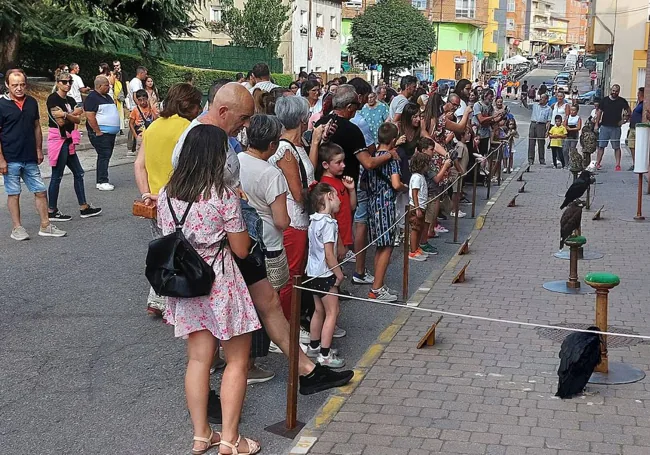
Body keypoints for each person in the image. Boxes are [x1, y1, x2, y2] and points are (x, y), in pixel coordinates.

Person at [172, 83, 354, 393]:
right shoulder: (199, 138)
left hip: (235, 238)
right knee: (218, 333)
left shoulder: (222, 138)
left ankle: (307, 371)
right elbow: (190, 192)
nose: (245, 126)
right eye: (242, 118)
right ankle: (214, 399)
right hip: (221, 245)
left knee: (267, 302)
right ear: (223, 111)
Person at [157, 124, 262, 455]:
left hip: (188, 284)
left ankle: (201, 435)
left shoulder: (167, 194)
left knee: (198, 360)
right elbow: (241, 247)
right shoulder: (223, 194)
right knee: (236, 361)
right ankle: (230, 439)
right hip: (221, 282)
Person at [134, 82, 203, 317]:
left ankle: (157, 298)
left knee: (162, 248)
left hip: (153, 199)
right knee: (184, 252)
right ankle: (172, 302)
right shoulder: (190, 128)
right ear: (190, 105)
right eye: (197, 104)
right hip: (180, 200)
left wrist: (146, 194)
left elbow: (139, 165)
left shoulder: (152, 127)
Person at [0, 68, 66, 240]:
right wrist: (1, 160)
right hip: (10, 157)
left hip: (30, 156)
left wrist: (38, 149)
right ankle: (17, 228)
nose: (19, 88)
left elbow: (36, 126)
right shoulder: (1, 105)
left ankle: (46, 225)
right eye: (15, 85)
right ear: (7, 85)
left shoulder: (31, 102)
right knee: (14, 193)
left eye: (22, 84)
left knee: (40, 191)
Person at [271, 96, 315, 321]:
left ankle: (293, 321)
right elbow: (298, 193)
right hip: (293, 220)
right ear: (301, 118)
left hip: (298, 219)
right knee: (291, 275)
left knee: (297, 273)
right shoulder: (286, 150)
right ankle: (287, 326)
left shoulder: (296, 146)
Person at [46, 72, 102, 222]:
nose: (67, 84)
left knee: (79, 172)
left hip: (68, 139)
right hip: (59, 139)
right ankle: (51, 210)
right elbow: (61, 122)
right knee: (57, 175)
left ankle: (83, 207)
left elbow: (78, 118)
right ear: (58, 82)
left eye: (69, 81)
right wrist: (71, 114)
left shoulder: (70, 99)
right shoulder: (53, 99)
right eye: (64, 82)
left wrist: (65, 114)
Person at [304, 183, 346, 368]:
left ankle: (314, 345)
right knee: (332, 312)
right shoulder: (328, 224)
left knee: (318, 310)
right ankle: (325, 354)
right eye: (337, 196)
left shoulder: (314, 221)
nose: (339, 201)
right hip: (325, 273)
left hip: (313, 272)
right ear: (329, 197)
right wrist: (339, 274)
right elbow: (329, 255)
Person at [364, 122, 407, 301]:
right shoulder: (392, 158)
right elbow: (396, 184)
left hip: (373, 202)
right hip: (386, 204)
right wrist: (405, 187)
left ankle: (378, 282)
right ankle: (377, 288)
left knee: (380, 246)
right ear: (393, 140)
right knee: (387, 246)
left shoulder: (373, 156)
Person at [317, 142, 357, 258]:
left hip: (344, 234)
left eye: (343, 161)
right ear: (325, 165)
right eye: (338, 162)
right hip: (335, 237)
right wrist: (339, 243)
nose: (343, 165)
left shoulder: (339, 181)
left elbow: (351, 207)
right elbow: (330, 217)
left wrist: (351, 190)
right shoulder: (325, 186)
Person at [84, 76, 121, 190]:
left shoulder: (108, 97)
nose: (109, 87)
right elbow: (90, 116)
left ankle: (102, 179)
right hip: (101, 132)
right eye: (106, 85)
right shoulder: (92, 98)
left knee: (107, 155)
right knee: (104, 155)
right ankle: (102, 180)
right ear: (99, 86)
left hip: (110, 133)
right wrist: (97, 131)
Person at [595, 84, 630, 171]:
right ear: (611, 90)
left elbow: (629, 111)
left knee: (616, 147)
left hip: (616, 127)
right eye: (613, 90)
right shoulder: (605, 100)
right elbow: (599, 112)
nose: (614, 92)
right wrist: (596, 124)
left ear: (619, 91)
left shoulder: (622, 101)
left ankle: (618, 165)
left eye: (616, 91)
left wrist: (624, 121)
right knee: (601, 146)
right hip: (604, 126)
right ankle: (598, 163)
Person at [408, 152, 431, 262]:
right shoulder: (417, 177)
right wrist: (417, 208)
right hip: (417, 207)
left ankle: (416, 248)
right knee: (415, 229)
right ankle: (413, 251)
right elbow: (414, 193)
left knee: (419, 228)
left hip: (421, 206)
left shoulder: (420, 176)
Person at [472, 89, 502, 157]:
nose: (492, 98)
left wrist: (500, 117)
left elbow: (492, 121)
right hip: (477, 133)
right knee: (477, 154)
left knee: (484, 153)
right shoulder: (478, 105)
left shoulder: (490, 106)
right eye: (491, 96)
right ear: (485, 96)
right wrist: (492, 117)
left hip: (486, 134)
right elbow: (481, 119)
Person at [449, 127, 471, 218]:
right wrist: (460, 171)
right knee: (456, 191)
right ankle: (454, 210)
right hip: (457, 173)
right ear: (462, 136)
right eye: (467, 134)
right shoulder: (460, 146)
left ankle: (457, 209)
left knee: (458, 191)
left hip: (460, 172)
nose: (469, 135)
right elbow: (456, 160)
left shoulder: (464, 145)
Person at [129, 89, 158, 156]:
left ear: (147, 99)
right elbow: (131, 123)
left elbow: (156, 119)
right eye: (140, 100)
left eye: (144, 99)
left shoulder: (151, 108)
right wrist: (135, 136)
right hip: (140, 134)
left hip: (151, 134)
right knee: (140, 155)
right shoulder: (135, 110)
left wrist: (152, 107)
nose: (142, 102)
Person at [528, 93, 552, 165]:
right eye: (540, 97)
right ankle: (530, 159)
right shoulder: (535, 105)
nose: (541, 99)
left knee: (541, 143)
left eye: (543, 98)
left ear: (546, 100)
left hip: (542, 125)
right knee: (531, 142)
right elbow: (526, 105)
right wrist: (523, 99)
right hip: (533, 124)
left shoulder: (549, 109)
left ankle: (541, 159)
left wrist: (547, 131)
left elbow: (548, 121)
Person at [627, 87, 644, 171]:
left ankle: (639, 163)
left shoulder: (644, 104)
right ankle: (634, 163)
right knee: (631, 146)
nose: (637, 94)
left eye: (638, 93)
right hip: (632, 127)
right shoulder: (639, 103)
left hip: (638, 128)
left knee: (638, 146)